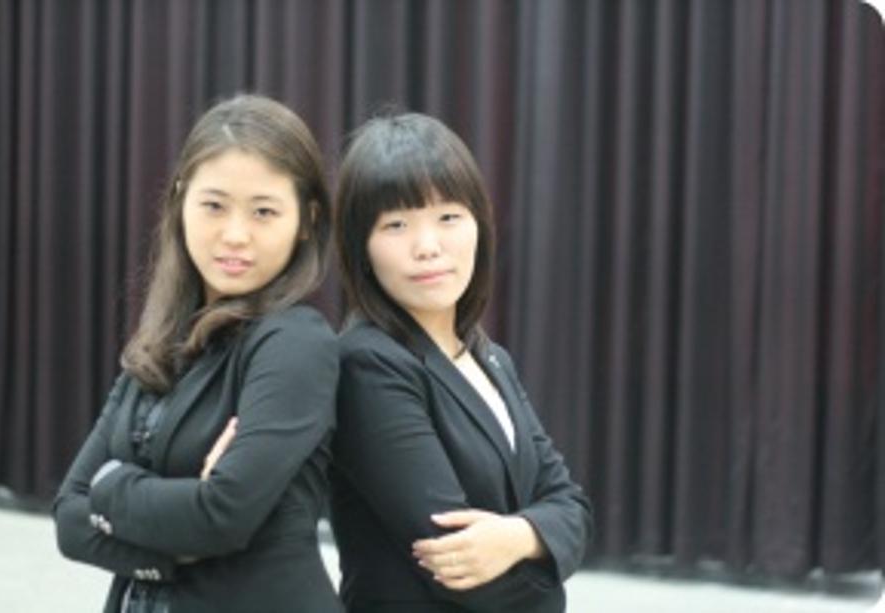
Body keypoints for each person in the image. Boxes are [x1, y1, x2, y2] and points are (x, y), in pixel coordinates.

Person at [53, 94, 343, 613]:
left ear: (306, 219)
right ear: (180, 201)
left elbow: (220, 516)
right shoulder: (163, 339)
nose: (235, 235)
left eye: (264, 211)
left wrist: (112, 486)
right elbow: (69, 521)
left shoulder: (296, 342)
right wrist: (175, 549)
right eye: (214, 205)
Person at [329, 112, 594, 613]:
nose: (428, 247)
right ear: (360, 247)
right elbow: (450, 562)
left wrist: (518, 536)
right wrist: (548, 562)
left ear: (479, 226)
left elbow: (573, 508)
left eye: (448, 217)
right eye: (396, 225)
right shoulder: (367, 363)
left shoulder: (490, 358)